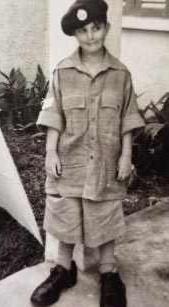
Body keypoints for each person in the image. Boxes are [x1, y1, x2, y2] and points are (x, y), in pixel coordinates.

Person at [31, 1, 145, 307]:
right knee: (66, 211)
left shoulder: (121, 74)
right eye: (83, 30)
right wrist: (50, 151)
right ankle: (62, 270)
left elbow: (127, 119)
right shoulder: (63, 72)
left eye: (96, 28)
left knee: (104, 210)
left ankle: (108, 271)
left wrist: (126, 155)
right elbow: (54, 116)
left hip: (106, 160)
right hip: (70, 159)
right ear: (75, 34)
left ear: (106, 28)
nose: (91, 36)